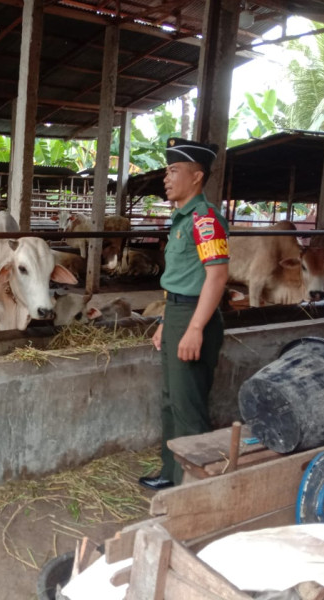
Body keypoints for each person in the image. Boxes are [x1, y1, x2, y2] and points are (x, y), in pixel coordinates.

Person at [138, 138, 230, 491]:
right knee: (170, 401)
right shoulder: (182, 220)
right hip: (177, 313)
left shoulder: (205, 221)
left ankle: (194, 490)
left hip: (195, 317)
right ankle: (171, 473)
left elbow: (217, 276)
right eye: (167, 171)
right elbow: (182, 279)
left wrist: (194, 328)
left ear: (196, 177)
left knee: (188, 406)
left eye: (174, 171)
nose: (166, 178)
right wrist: (165, 321)